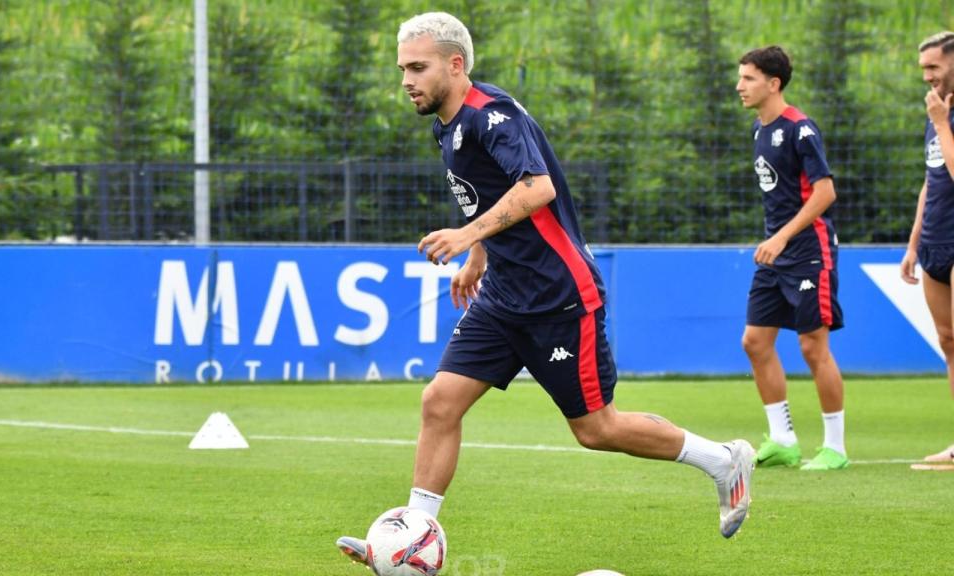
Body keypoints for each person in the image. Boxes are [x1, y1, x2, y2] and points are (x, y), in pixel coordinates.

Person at [336, 12, 756, 568]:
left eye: (418, 67)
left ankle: (723, 460)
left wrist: (467, 237)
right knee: (439, 401)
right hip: (503, 295)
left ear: (455, 65)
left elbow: (536, 188)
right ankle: (411, 536)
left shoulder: (494, 116)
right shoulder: (447, 124)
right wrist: (479, 261)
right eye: (402, 69)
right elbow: (491, 198)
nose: (407, 80)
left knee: (595, 429)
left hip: (558, 295)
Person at [735, 46, 848, 471]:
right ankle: (783, 439)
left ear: (773, 83)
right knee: (755, 341)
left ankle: (835, 447)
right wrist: (775, 242)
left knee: (812, 346)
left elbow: (825, 192)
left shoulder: (801, 129)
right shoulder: (758, 130)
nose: (739, 86)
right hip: (776, 253)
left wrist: (781, 238)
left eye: (748, 78)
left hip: (808, 252)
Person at [901, 31, 954, 468]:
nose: (927, 77)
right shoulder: (935, 110)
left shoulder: (940, 115)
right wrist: (914, 243)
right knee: (949, 341)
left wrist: (941, 122)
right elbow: (931, 178)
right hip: (936, 239)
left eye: (934, 67)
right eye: (924, 69)